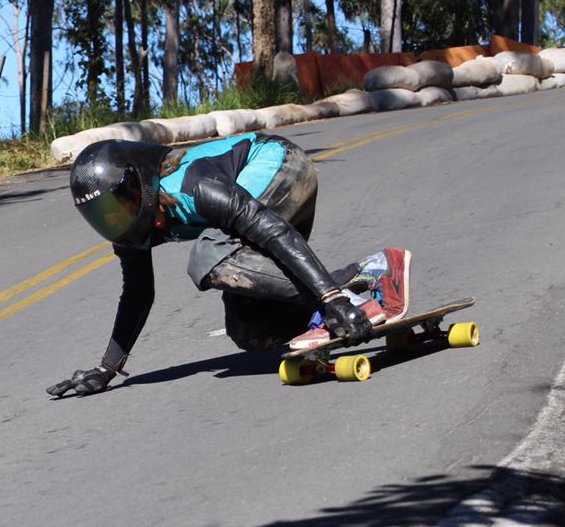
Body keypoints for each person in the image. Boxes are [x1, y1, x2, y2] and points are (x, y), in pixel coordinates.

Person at [47, 132, 412, 397]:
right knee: (250, 331)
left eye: (118, 206)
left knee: (209, 254)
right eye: (103, 216)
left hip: (282, 165)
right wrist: (107, 368)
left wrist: (332, 297)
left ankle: (364, 279)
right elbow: (138, 293)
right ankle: (333, 307)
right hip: (258, 212)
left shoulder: (195, 184)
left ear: (140, 181)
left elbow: (269, 230)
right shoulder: (133, 225)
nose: (115, 220)